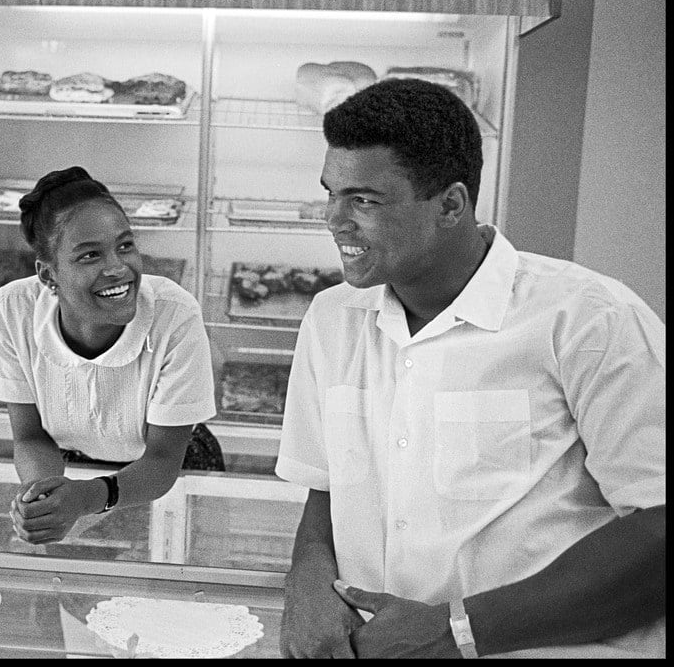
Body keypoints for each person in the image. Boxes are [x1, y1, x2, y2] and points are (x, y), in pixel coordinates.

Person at [275, 78, 665, 658]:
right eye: (331, 193)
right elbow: (329, 488)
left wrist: (461, 630)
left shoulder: (588, 318)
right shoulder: (332, 318)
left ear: (451, 205)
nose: (334, 219)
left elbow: (659, 526)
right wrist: (306, 579)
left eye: (365, 200)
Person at [0, 166, 221, 547]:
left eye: (125, 246)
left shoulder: (174, 315)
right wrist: (43, 497)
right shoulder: (15, 310)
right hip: (70, 471)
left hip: (165, 473)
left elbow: (161, 460)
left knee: (172, 594)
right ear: (48, 276)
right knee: (82, 601)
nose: (117, 269)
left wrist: (84, 498)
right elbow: (29, 436)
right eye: (91, 255)